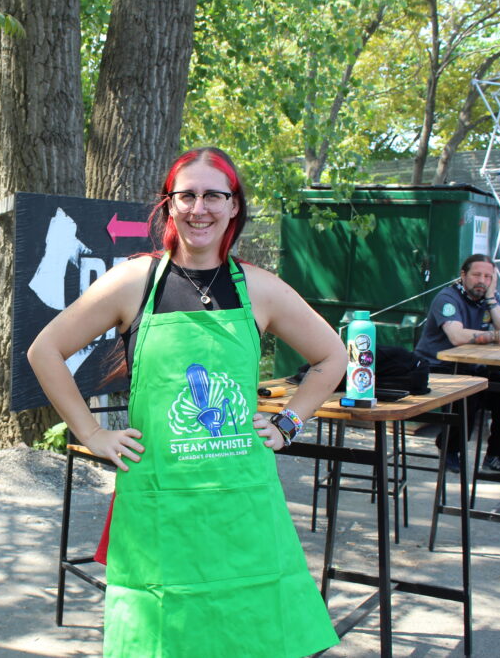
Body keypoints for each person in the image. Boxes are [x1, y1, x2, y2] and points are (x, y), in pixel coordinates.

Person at [27, 147, 346, 657]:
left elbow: (332, 356)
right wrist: (91, 432)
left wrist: (289, 422)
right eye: (187, 195)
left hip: (242, 502)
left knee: (255, 632)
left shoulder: (259, 288)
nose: (200, 208)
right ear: (169, 204)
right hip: (161, 502)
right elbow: (45, 351)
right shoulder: (135, 282)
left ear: (234, 206)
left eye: (213, 196)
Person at [414, 253, 500, 477]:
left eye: (488, 276)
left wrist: (491, 299)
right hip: (437, 368)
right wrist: (498, 336)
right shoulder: (447, 298)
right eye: (477, 275)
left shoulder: (491, 299)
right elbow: (457, 336)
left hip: (472, 368)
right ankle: (449, 449)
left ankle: (498, 458)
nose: (482, 281)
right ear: (463, 275)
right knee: (468, 393)